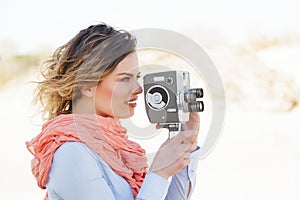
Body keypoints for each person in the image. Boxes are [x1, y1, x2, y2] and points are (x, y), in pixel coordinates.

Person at [26, 23, 201, 200]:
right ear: (87, 86)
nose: (139, 89)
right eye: (125, 79)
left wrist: (185, 139)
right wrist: (159, 172)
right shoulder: (71, 153)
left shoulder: (114, 146)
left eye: (137, 77)